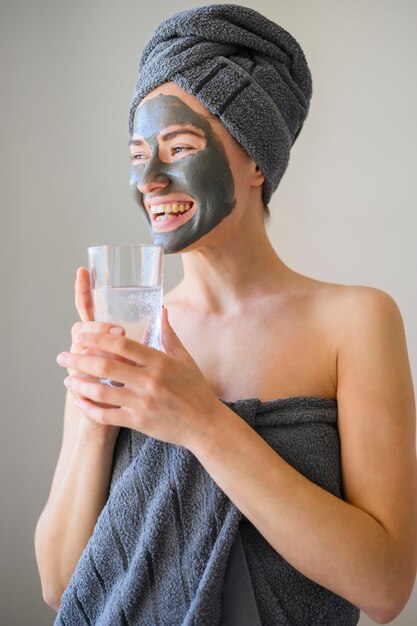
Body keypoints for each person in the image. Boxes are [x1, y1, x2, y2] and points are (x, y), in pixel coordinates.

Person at [35, 4, 417, 625]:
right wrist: (99, 408)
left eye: (178, 147)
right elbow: (59, 582)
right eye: (137, 155)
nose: (150, 180)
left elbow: (384, 586)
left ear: (257, 159)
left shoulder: (355, 323)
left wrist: (203, 424)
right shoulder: (126, 330)